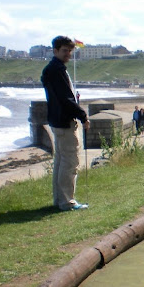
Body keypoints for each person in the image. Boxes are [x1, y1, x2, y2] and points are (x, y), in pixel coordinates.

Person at [41, 35, 90, 211]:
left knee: (61, 161)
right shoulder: (56, 70)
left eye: (70, 50)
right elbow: (66, 99)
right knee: (69, 162)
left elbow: (63, 97)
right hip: (63, 122)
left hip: (57, 120)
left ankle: (60, 200)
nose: (68, 54)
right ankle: (67, 202)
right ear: (55, 50)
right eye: (64, 50)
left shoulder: (52, 69)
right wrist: (83, 116)